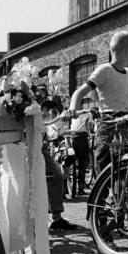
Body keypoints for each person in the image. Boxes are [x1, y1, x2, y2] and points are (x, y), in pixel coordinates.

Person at [70, 30, 128, 174]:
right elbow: (80, 91)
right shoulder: (105, 70)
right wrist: (73, 108)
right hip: (109, 122)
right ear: (127, 51)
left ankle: (121, 194)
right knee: (104, 165)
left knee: (127, 165)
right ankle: (102, 194)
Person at [38, 83, 77, 231]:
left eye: (43, 93)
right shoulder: (30, 109)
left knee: (57, 176)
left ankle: (56, 217)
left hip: (42, 148)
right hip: (28, 148)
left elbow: (48, 121)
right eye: (40, 93)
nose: (42, 96)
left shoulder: (43, 111)